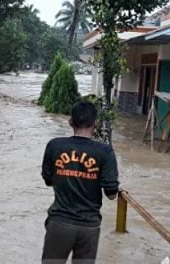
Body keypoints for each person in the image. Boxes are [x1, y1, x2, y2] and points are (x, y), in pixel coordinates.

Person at [41, 101, 119, 264]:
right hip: (89, 226)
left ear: (70, 122)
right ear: (95, 124)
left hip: (59, 222)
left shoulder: (55, 146)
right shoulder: (105, 152)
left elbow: (48, 180)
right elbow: (111, 193)